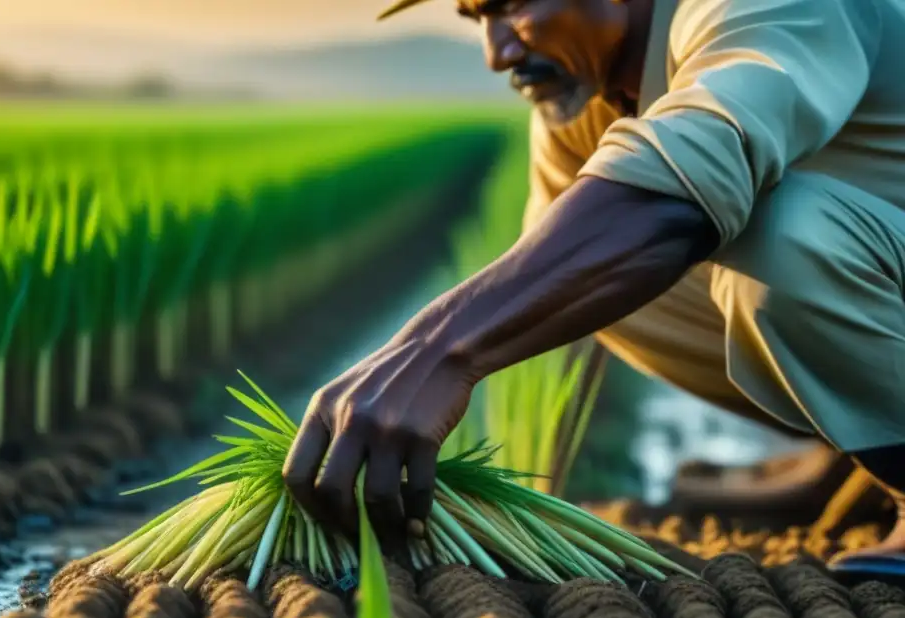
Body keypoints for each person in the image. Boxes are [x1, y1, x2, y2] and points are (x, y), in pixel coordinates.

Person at [282, 0, 905, 573]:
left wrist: (436, 352)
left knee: (767, 236)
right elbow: (552, 270)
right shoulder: (590, 103)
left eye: (511, 5)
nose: (497, 52)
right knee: (596, 276)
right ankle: (859, 455)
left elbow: (695, 168)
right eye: (477, 20)